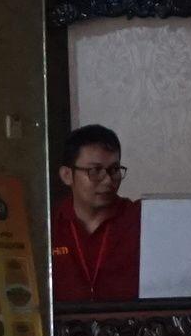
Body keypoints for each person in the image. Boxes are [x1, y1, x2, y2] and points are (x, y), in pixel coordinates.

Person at [50, 124, 138, 302]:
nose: (108, 181)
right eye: (95, 171)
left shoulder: (139, 220)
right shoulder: (48, 224)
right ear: (67, 175)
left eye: (114, 170)